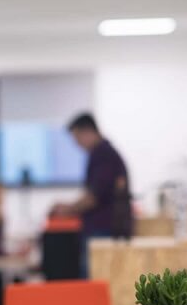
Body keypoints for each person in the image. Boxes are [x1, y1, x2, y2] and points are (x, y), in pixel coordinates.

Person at [50, 113, 133, 277]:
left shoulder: (103, 154)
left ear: (87, 132)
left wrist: (67, 210)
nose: (77, 144)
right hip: (102, 229)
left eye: (77, 138)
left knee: (95, 279)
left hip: (103, 230)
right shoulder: (102, 153)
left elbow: (94, 196)